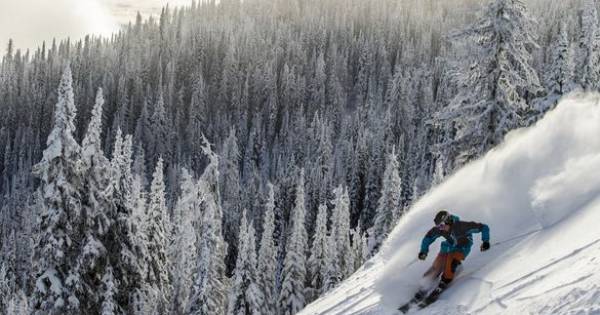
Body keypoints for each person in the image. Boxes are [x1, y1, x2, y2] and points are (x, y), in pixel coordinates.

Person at [417, 210, 490, 303]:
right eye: (438, 226)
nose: (440, 229)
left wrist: (486, 241)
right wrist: (423, 251)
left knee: (451, 261)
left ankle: (445, 280)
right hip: (448, 246)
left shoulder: (461, 226)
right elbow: (427, 238)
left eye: (442, 226)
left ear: (448, 221)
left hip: (462, 247)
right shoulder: (441, 229)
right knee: (438, 264)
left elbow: (484, 227)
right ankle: (426, 283)